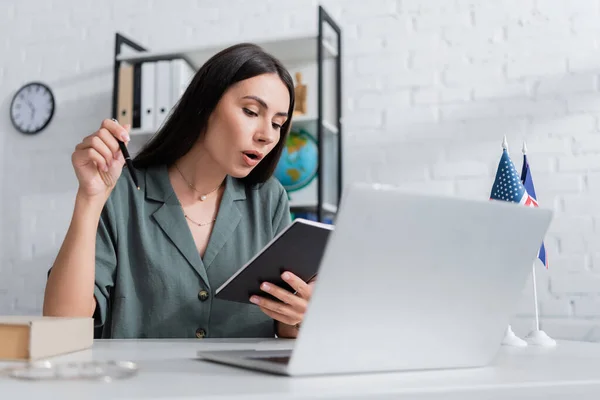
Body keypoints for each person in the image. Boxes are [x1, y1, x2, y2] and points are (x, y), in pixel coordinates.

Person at [43, 43, 313, 339]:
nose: (266, 135)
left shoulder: (268, 199)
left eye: (278, 124)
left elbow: (284, 324)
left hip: (241, 384)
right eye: (251, 111)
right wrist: (89, 198)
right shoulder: (122, 191)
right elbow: (62, 326)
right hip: (137, 383)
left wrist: (299, 313)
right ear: (205, 106)